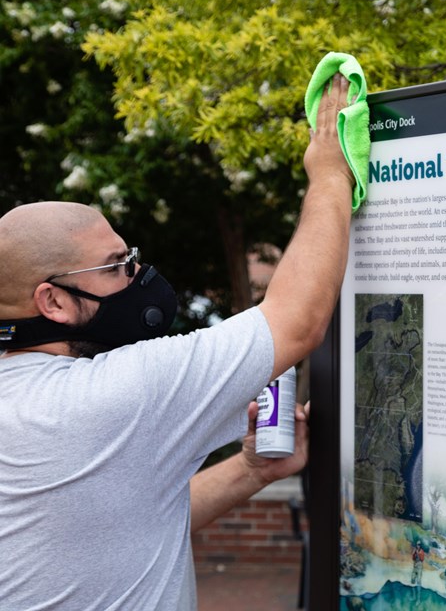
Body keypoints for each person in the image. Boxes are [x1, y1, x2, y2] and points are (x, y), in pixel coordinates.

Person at [0, 73, 355, 609]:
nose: (136, 274)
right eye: (117, 266)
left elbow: (118, 519)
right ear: (52, 301)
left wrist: (249, 470)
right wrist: (330, 174)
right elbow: (297, 319)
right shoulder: (110, 395)